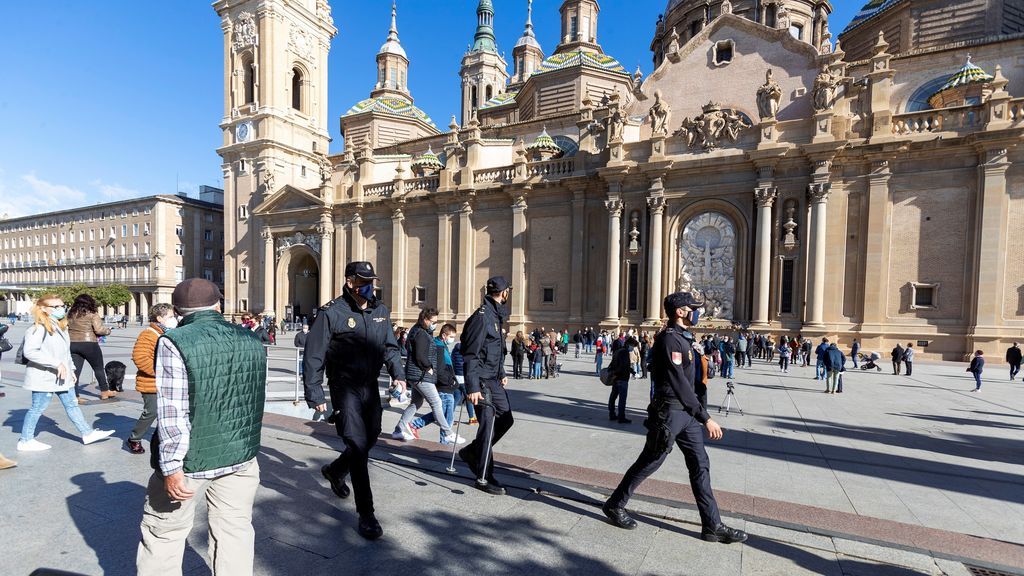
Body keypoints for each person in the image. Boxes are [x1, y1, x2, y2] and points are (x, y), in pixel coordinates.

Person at [137, 279, 267, 575]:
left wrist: (170, 467)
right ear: (218, 304)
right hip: (241, 456)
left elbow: (172, 411)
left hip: (191, 461)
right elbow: (254, 396)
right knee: (235, 531)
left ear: (178, 310)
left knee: (164, 534)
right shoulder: (251, 337)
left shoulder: (174, 340)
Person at [602, 292, 747, 544]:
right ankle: (615, 504)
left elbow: (691, 381)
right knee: (651, 461)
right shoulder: (670, 341)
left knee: (700, 465)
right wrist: (705, 417)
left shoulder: (685, 338)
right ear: (680, 311)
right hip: (669, 412)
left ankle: (712, 525)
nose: (698, 312)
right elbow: (679, 383)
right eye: (694, 308)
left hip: (687, 414)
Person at [303, 261, 406, 540]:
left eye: (371, 280)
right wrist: (314, 393)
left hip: (369, 387)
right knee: (358, 446)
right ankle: (367, 514)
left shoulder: (380, 311)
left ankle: (336, 471)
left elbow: (390, 348)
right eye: (363, 281)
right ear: (350, 282)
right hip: (343, 386)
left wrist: (399, 374)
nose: (369, 286)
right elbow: (314, 355)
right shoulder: (332, 313)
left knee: (371, 436)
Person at [16, 294, 115, 452]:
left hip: (62, 375)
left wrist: (72, 369)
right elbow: (30, 352)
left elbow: (64, 352)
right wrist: (57, 364)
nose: (61, 309)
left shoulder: (59, 326)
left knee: (71, 404)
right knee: (37, 408)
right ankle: (25, 440)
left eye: (62, 306)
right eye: (56, 307)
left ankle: (87, 433)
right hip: (45, 376)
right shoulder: (38, 327)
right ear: (43, 309)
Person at [459, 276, 513, 495]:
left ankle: (472, 452)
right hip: (481, 380)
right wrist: (472, 387)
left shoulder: (496, 316)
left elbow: (497, 350)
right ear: (504, 292)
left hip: (493, 378)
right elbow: (470, 354)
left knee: (506, 418)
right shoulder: (482, 317)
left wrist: (501, 372)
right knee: (487, 426)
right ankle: (483, 477)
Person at [394, 308, 460, 444]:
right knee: (437, 402)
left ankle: (398, 430)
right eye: (433, 321)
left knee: (416, 403)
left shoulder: (418, 330)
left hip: (415, 374)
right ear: (425, 319)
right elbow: (420, 355)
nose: (434, 324)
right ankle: (448, 433)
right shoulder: (421, 334)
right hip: (421, 375)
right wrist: (428, 367)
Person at [126, 303, 177, 455]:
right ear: (160, 318)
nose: (174, 319)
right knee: (151, 412)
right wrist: (161, 372)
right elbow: (140, 358)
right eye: (170, 317)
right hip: (151, 383)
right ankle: (134, 438)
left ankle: (166, 438)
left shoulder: (168, 333)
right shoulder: (149, 334)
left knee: (168, 412)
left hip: (168, 382)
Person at [409, 323, 466, 445]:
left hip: (447, 385)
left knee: (443, 413)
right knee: (445, 414)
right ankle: (443, 435)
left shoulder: (442, 346)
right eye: (451, 336)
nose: (452, 339)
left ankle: (442, 435)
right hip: (444, 386)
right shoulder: (439, 348)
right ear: (444, 335)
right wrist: (450, 381)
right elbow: (440, 370)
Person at [67, 294, 115, 402]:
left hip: (72, 343)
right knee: (98, 368)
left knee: (75, 371)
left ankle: (75, 395)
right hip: (89, 344)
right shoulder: (93, 315)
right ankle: (104, 391)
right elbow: (98, 330)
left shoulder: (70, 314)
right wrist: (108, 330)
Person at [608, 338, 636, 424]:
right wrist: (629, 370)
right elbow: (623, 366)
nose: (633, 348)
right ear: (628, 344)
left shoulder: (618, 351)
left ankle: (612, 414)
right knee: (622, 399)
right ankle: (621, 417)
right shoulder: (625, 352)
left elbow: (613, 363)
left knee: (613, 396)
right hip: (622, 378)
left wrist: (630, 370)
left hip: (615, 378)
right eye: (633, 346)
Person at [452, 340, 477, 425]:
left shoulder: (455, 350)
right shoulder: (468, 350)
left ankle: (450, 417)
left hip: (456, 377)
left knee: (456, 398)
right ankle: (471, 418)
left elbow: (452, 362)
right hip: (465, 378)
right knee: (468, 399)